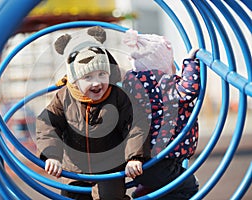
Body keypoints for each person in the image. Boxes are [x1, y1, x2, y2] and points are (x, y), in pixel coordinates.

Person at [36, 26, 150, 200]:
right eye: (88, 77)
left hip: (110, 167)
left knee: (110, 197)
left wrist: (135, 157)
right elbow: (47, 125)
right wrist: (52, 156)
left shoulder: (118, 97)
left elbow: (135, 125)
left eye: (102, 74)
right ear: (74, 79)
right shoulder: (64, 97)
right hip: (75, 170)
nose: (97, 83)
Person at [121, 29, 200, 199]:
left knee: (163, 185)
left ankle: (145, 190)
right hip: (162, 159)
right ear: (163, 64)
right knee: (189, 187)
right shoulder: (167, 84)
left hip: (144, 158)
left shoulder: (133, 84)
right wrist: (191, 63)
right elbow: (188, 90)